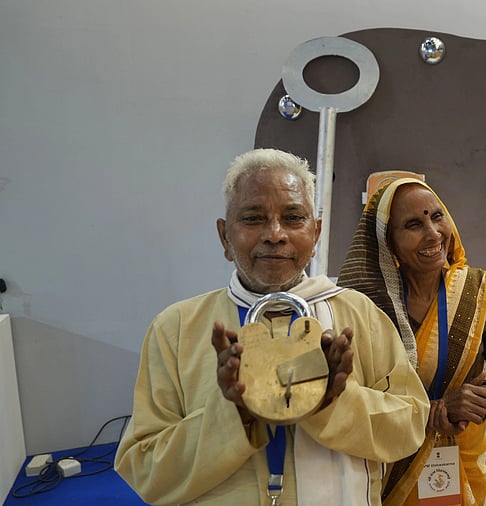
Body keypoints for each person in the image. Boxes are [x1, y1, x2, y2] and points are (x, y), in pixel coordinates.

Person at [114, 149, 429, 505]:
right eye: (253, 219)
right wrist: (237, 414)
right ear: (224, 238)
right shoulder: (177, 328)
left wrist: (333, 403)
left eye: (293, 218)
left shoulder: (359, 316)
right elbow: (144, 471)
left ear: (316, 233)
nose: (275, 234)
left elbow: (410, 426)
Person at [338, 178, 486, 505]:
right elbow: (352, 397)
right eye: (413, 224)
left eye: (437, 216)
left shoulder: (477, 296)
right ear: (388, 242)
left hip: (460, 452)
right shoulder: (365, 308)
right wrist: (426, 412)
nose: (434, 233)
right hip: (390, 461)